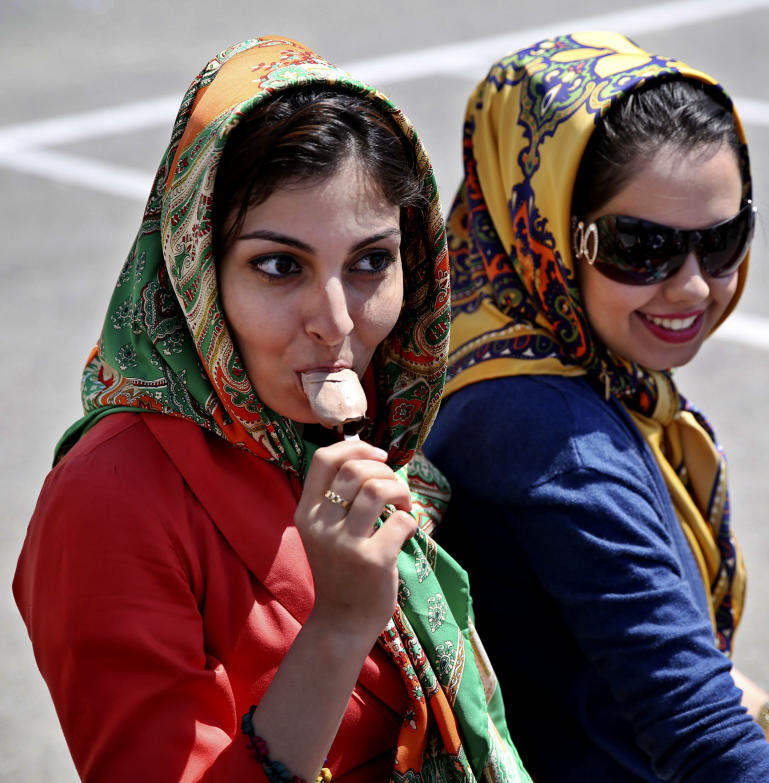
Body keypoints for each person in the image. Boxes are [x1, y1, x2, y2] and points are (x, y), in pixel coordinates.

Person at [13, 37, 531, 783]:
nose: (337, 322)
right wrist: (339, 627)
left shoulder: (378, 426)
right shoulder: (112, 497)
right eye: (281, 266)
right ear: (196, 268)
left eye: (370, 262)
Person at [423, 32, 769, 783]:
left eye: (722, 240)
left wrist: (766, 713)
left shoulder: (498, 338)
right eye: (639, 246)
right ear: (547, 227)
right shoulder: (553, 440)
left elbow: (614, 639)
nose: (690, 287)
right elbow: (695, 733)